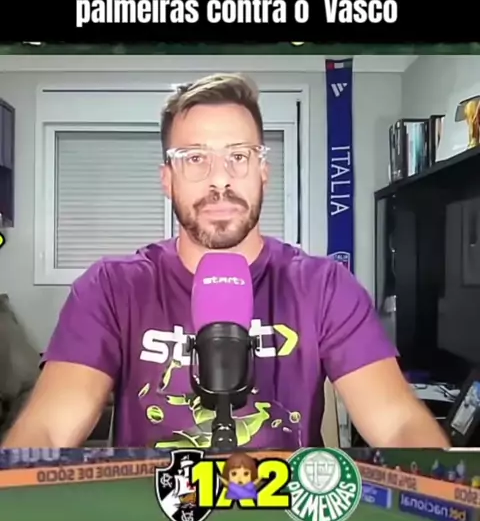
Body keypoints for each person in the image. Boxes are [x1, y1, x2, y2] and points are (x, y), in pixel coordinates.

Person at [1, 73, 449, 450]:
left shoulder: (325, 286)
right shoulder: (111, 288)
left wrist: (440, 494)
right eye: (195, 158)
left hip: (285, 519)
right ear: (167, 179)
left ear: (263, 173)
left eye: (238, 156)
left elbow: (397, 423)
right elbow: (47, 429)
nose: (220, 179)